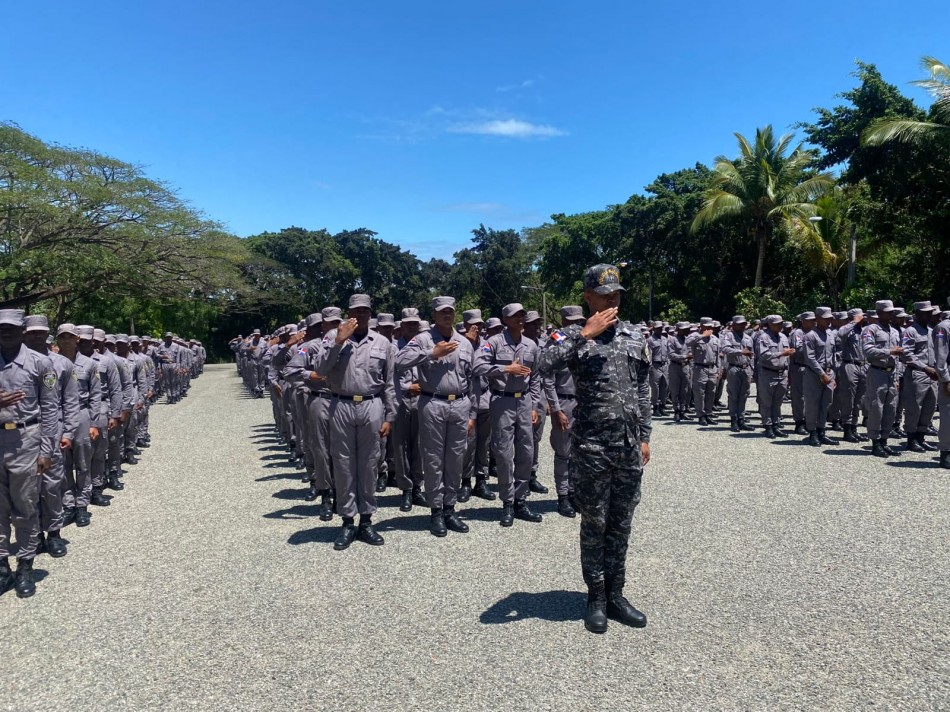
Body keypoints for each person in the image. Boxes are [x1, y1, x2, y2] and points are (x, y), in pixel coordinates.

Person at [537, 264, 651, 634]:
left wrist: (645, 435)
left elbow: (643, 389)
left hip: (628, 445)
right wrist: (584, 335)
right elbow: (542, 364)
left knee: (621, 523)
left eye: (616, 293)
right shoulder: (572, 334)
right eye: (604, 294)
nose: (612, 299)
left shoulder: (635, 335)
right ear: (588, 297)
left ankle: (617, 594)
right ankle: (596, 597)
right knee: (595, 523)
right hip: (592, 447)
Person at [316, 294, 396, 550]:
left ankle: (367, 520)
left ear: (370, 314)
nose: (360, 315)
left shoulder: (383, 342)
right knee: (343, 464)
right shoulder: (332, 337)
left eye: (365, 311)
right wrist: (339, 341)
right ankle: (348, 521)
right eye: (356, 311)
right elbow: (321, 369)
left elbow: (390, 383)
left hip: (372, 405)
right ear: (349, 312)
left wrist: (390, 415)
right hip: (341, 403)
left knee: (370, 463)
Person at [395, 297, 476, 537]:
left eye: (451, 311)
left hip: (460, 403)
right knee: (432, 459)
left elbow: (473, 379)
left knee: (455, 458)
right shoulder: (422, 339)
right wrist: (431, 353)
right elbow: (399, 362)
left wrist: (472, 411)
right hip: (433, 402)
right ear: (434, 314)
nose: (447, 315)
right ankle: (436, 511)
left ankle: (450, 508)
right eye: (442, 312)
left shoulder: (464, 342)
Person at [0, 309, 60, 598]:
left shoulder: (40, 363)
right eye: (1, 328)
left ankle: (25, 564)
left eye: (11, 328)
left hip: (25, 439)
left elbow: (51, 409)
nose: (5, 332)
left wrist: (47, 449)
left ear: (21, 330)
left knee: (24, 506)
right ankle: (2, 568)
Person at [473, 303, 542, 527]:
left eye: (522, 315)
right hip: (501, 400)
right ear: (505, 319)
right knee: (503, 453)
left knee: (526, 451)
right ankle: (507, 502)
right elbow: (478, 367)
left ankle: (521, 500)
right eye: (515, 316)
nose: (520, 319)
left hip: (524, 401)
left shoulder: (531, 345)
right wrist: (505, 369)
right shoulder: (493, 343)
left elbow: (536, 377)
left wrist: (534, 404)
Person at [546, 306, 586, 517]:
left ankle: (574, 492)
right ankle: (563, 497)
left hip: (584, 404)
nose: (575, 326)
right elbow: (548, 379)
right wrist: (556, 408)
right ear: (563, 322)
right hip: (564, 403)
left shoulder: (585, 341)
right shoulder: (555, 344)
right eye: (571, 322)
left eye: (578, 322)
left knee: (580, 453)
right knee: (563, 453)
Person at [863, 300, 904, 457]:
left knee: (890, 408)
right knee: (876, 408)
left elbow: (899, 355)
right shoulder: (871, 329)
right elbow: (867, 350)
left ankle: (884, 441)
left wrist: (898, 375)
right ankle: (875, 442)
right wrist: (889, 351)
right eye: (888, 312)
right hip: (877, 373)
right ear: (879, 312)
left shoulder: (894, 331)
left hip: (892, 373)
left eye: (892, 312)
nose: (892, 314)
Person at [720, 315, 756, 432]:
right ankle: (733, 420)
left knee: (744, 395)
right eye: (740, 324)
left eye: (744, 324)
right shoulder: (728, 336)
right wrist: (740, 352)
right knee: (733, 395)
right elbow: (725, 349)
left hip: (746, 368)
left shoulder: (748, 338)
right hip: (734, 368)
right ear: (734, 325)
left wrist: (752, 368)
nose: (742, 326)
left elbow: (752, 354)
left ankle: (742, 419)